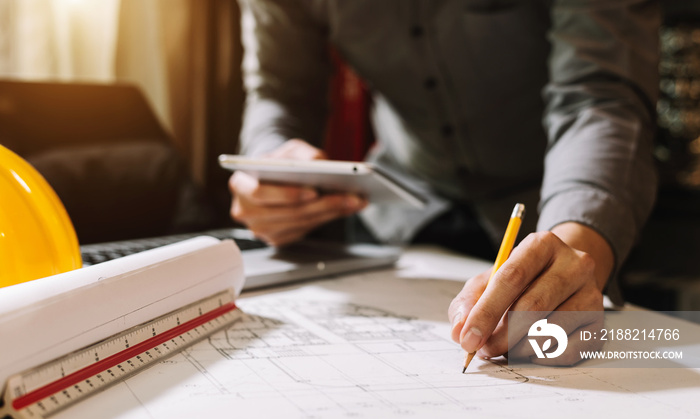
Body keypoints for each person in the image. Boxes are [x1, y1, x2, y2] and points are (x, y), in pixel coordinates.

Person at [228, 0, 660, 362]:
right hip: (399, 217)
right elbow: (278, 90)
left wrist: (578, 238)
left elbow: (600, 94)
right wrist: (271, 165)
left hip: (551, 212)